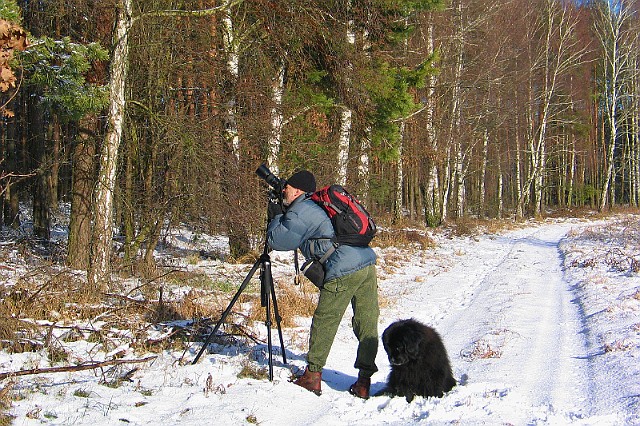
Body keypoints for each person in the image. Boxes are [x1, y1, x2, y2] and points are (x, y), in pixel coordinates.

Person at [266, 170, 379, 399]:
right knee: (367, 321)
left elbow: (276, 240)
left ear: (297, 190)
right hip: (366, 263)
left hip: (344, 268)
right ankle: (364, 381)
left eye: (287, 187)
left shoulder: (303, 210)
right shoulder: (317, 204)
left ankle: (312, 376)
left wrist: (276, 214)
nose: (284, 190)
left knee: (325, 320)